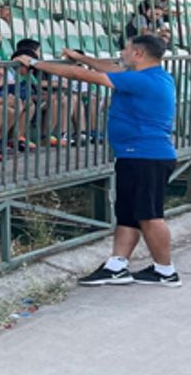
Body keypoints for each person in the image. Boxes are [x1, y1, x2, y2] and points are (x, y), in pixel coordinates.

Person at [15, 38, 180, 287]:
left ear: (137, 53)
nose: (120, 54)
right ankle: (117, 265)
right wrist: (82, 56)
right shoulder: (154, 75)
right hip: (136, 155)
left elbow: (77, 75)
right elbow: (109, 68)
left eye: (125, 49)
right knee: (128, 215)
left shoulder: (141, 80)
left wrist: (35, 63)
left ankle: (165, 271)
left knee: (149, 215)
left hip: (146, 157)